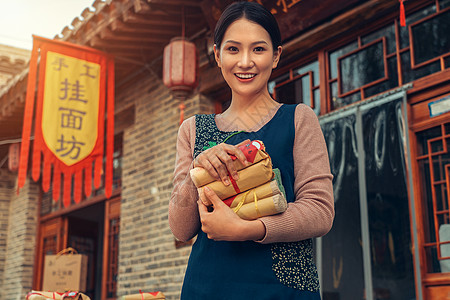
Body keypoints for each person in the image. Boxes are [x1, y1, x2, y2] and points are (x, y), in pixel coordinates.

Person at [169, 2, 334, 299]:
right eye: (233, 49)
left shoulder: (298, 119)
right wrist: (197, 172)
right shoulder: (193, 129)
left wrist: (250, 228)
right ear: (217, 56)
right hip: (208, 287)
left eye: (258, 49)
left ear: (276, 56)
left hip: (283, 289)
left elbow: (320, 212)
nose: (245, 62)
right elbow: (181, 230)